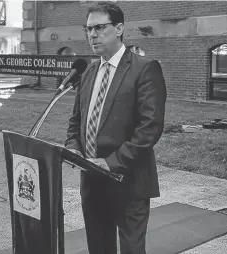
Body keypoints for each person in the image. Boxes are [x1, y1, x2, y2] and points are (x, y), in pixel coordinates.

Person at [64, 2, 166, 253]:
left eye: (99, 27)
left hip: (128, 182)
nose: (92, 35)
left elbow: (150, 128)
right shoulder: (88, 72)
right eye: (88, 29)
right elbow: (76, 121)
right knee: (98, 248)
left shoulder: (145, 68)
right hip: (92, 181)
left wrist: (110, 163)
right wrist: (73, 148)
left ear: (119, 28)